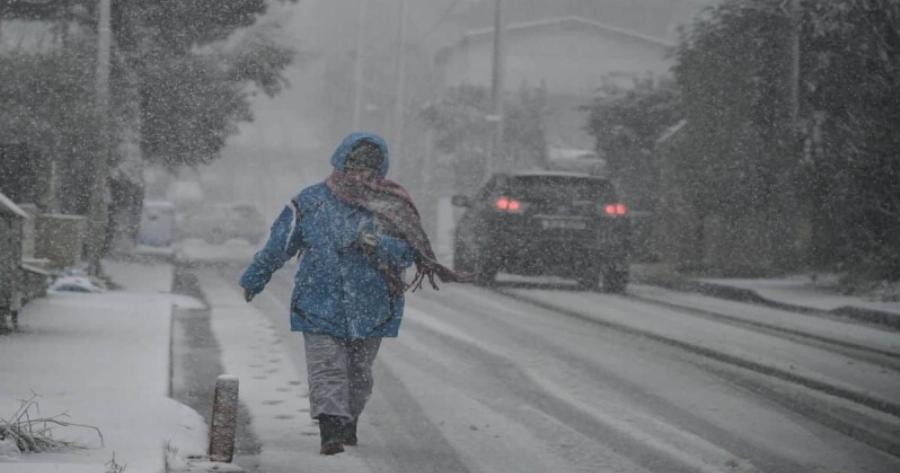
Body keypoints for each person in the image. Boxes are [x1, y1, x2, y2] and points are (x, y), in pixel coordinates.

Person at [239, 132, 471, 455]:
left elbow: (409, 253)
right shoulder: (309, 202)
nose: (360, 173)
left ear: (380, 170)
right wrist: (255, 276)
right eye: (354, 165)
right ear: (341, 162)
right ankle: (330, 429)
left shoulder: (391, 207)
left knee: (358, 376)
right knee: (327, 368)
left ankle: (348, 419)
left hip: (371, 307)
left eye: (369, 167)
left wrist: (381, 244)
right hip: (317, 303)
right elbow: (280, 243)